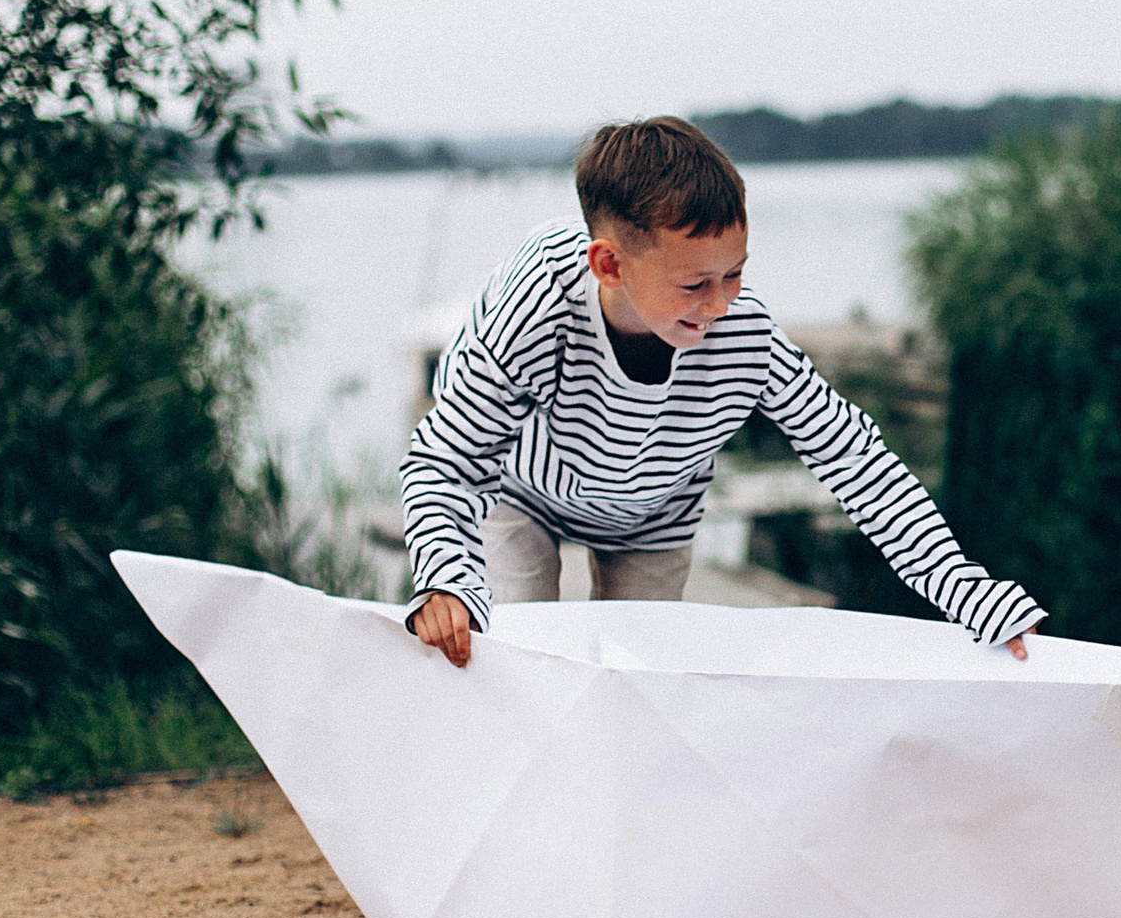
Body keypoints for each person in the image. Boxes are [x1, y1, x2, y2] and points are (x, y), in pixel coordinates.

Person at [401, 116, 1043, 665]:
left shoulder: (745, 333)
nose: (719, 304)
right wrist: (445, 579)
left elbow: (855, 459)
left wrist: (971, 594)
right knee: (516, 647)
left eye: (733, 274)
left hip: (655, 512)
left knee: (639, 674)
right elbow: (444, 459)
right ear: (610, 264)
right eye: (694, 285)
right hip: (520, 495)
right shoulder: (537, 305)